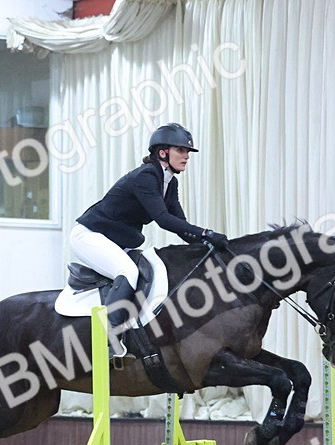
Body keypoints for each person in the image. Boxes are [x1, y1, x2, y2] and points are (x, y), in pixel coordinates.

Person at [70, 122, 231, 361]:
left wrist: (205, 246)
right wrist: (206, 233)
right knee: (128, 270)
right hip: (89, 236)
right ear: (162, 152)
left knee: (148, 271)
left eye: (188, 152)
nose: (187, 156)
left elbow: (181, 225)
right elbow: (163, 220)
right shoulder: (146, 176)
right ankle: (108, 340)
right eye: (181, 150)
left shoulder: (170, 182)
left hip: (114, 240)